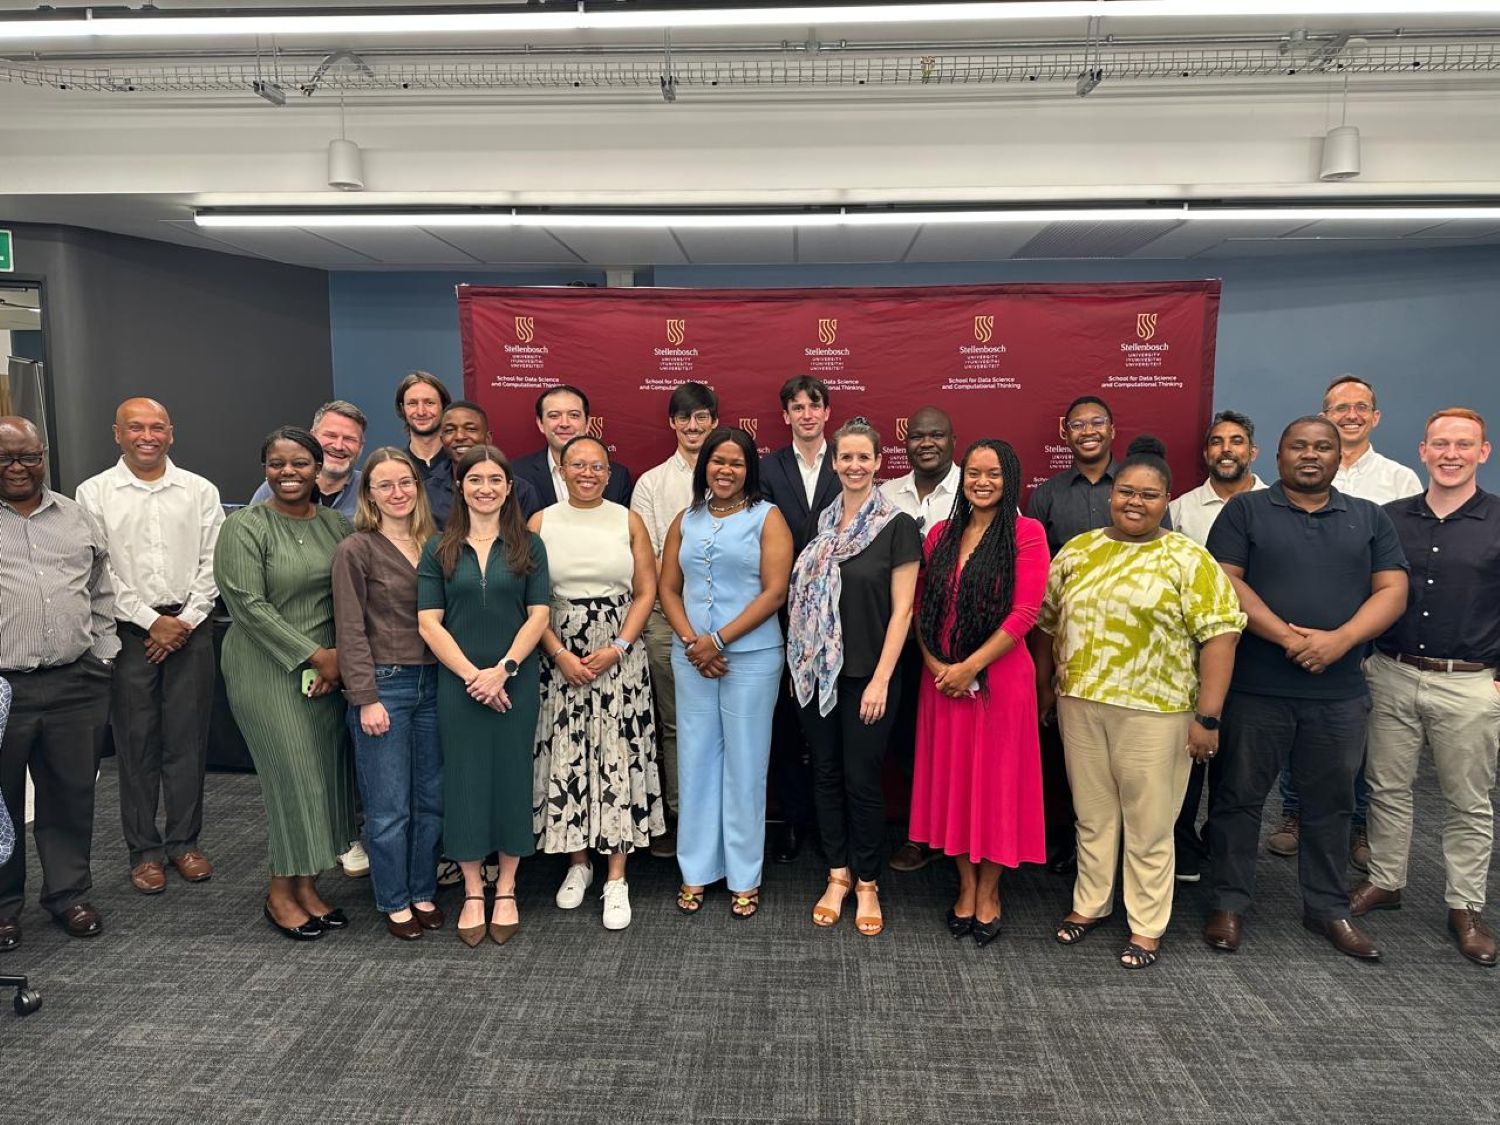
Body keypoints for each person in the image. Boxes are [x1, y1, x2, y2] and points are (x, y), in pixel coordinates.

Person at [1203, 416, 1408, 961]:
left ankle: (1326, 908)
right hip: (1255, 688)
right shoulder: (1244, 510)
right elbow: (1226, 581)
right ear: (1278, 456)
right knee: (1237, 799)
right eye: (1299, 446)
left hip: (1338, 693)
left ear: (1341, 457)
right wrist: (1289, 638)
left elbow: (1392, 589)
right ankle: (1228, 903)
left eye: (1323, 447)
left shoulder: (1368, 518)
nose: (1311, 455)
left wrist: (1340, 640)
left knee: (1332, 804)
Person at [1036, 436, 1245, 969]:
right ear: (1111, 495)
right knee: (1093, 815)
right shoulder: (1078, 551)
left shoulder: (1188, 559)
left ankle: (1147, 925)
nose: (1135, 501)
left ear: (1166, 500)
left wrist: (1208, 716)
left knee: (1151, 823)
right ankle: (1090, 904)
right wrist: (1046, 688)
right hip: (1080, 703)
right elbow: (1048, 626)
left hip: (1158, 712)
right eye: (1126, 491)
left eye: (1149, 495)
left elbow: (1220, 638)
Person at [1352, 408, 1500, 966]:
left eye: (1464, 444)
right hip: (1392, 671)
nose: (1451, 454)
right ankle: (1386, 881)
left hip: (1470, 683)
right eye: (1440, 444)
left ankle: (1464, 905)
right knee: (1387, 789)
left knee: (1468, 802)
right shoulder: (1389, 519)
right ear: (1422, 450)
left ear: (1483, 452)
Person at [1269, 376, 1423, 866]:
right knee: (1299, 720)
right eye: (1340, 407)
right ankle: (1293, 812)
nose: (1350, 414)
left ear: (1375, 417)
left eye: (1361, 407)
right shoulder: (1298, 474)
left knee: (1351, 734)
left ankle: (1357, 824)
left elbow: (1397, 568)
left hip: (1365, 634)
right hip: (1290, 634)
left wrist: (1347, 635)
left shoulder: (1399, 480)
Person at [76, 398, 224, 895]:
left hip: (191, 629)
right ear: (116, 433)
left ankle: (184, 843)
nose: (147, 435)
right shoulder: (93, 493)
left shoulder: (200, 491)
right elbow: (100, 570)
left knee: (188, 741)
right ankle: (144, 852)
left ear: (171, 433)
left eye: (156, 427)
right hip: (128, 635)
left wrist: (182, 621)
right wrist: (149, 621)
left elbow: (214, 561)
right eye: (135, 427)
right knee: (136, 746)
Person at [215, 426, 356, 942]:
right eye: (277, 464)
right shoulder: (245, 528)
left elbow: (349, 596)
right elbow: (247, 606)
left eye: (300, 463)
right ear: (265, 470)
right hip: (266, 670)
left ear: (320, 469)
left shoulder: (337, 527)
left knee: (324, 775)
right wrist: (315, 656)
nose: (289, 472)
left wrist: (336, 659)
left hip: (326, 673)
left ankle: (308, 885)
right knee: (291, 776)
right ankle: (280, 893)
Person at [911, 439, 1048, 948]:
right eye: (973, 473)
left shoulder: (1026, 534)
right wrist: (937, 666)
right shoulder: (942, 534)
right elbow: (921, 608)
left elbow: (1025, 614)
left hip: (999, 684)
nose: (982, 482)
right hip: (941, 683)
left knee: (994, 789)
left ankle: (989, 892)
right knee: (955, 786)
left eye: (993, 473)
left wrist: (970, 666)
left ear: (1009, 478)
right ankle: (964, 887)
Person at [787, 418, 919, 936]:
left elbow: (904, 611)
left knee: (863, 782)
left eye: (864, 457)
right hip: (817, 676)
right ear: (834, 462)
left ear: (879, 462)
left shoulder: (897, 524)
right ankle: (837, 875)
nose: (855, 466)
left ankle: (868, 883)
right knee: (825, 774)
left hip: (869, 676)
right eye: (846, 457)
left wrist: (882, 679)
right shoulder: (822, 525)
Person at [417, 445, 550, 947]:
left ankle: (508, 885)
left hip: (515, 678)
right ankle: (474, 888)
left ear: (508, 487)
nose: (486, 488)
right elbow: (429, 622)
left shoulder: (529, 547)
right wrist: (475, 676)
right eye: (476, 480)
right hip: (459, 682)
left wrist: (504, 670)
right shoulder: (438, 548)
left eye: (496, 479)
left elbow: (538, 614)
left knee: (513, 776)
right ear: (461, 486)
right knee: (466, 781)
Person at [529, 436, 663, 931]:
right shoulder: (541, 522)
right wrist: (558, 652)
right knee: (569, 753)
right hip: (559, 654)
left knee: (615, 755)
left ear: (610, 473)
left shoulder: (626, 519)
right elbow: (530, 598)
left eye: (598, 466)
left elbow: (646, 590)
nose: (587, 472)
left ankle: (616, 877)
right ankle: (577, 865)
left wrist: (620, 647)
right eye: (577, 464)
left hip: (618, 653)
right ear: (561, 470)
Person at [659, 427, 792, 919]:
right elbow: (668, 588)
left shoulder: (767, 517)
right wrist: (696, 641)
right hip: (691, 656)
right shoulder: (685, 519)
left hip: (751, 659)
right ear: (703, 466)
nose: (726, 470)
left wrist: (718, 640)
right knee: (695, 761)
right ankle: (695, 870)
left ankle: (743, 876)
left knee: (744, 766)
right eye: (717, 461)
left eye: (736, 463)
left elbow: (774, 593)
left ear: (748, 469)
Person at [0, 417, 119, 949]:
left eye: (27, 456)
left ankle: (68, 894)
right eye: (5, 459)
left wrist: (103, 655)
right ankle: (3, 906)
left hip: (75, 681)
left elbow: (100, 591)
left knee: (70, 794)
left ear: (43, 455)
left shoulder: (76, 517)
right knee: (0, 805)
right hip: (3, 688)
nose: (18, 468)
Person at [331, 448, 445, 941]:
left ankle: (422, 889)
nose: (398, 493)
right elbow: (349, 629)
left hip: (438, 684)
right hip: (386, 686)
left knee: (431, 799)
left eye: (406, 483)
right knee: (388, 805)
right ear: (369, 494)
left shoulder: (437, 543)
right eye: (385, 485)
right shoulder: (357, 549)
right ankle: (394, 898)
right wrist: (365, 696)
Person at [1165, 410, 1266, 883]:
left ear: (1253, 451)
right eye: (1218, 442)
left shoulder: (1276, 504)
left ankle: (1226, 862)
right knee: (1190, 758)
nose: (1227, 450)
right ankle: (1182, 845)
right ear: (1206, 453)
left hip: (1261, 655)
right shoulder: (1181, 510)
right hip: (1194, 657)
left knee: (1240, 767)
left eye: (1237, 441)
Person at [1026, 396, 1122, 875]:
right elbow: (1034, 576)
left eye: (1096, 422)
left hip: (1127, 645)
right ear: (1065, 433)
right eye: (1077, 424)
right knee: (1063, 748)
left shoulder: (1134, 487)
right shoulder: (1046, 495)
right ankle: (1066, 838)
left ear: (1112, 429)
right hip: (1062, 639)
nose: (1087, 430)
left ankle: (1119, 850)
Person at [629, 381, 719, 858]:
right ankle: (680, 815)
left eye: (701, 416)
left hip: (728, 620)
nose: (693, 425)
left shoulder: (732, 475)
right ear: (672, 424)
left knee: (725, 722)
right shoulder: (651, 483)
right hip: (666, 617)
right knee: (673, 722)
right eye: (684, 418)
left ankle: (720, 814)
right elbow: (645, 556)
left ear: (715, 421)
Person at [758, 375, 838, 863]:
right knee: (785, 721)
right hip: (782, 610)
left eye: (814, 405)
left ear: (827, 412)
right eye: (796, 407)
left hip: (839, 612)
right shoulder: (768, 468)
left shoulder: (848, 459)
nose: (806, 414)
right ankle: (792, 818)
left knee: (831, 717)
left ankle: (834, 821)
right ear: (785, 415)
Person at [880, 405, 960, 874]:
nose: (926, 443)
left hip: (953, 642)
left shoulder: (977, 487)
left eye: (936, 434)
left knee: (949, 742)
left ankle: (954, 833)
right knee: (906, 739)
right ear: (904, 442)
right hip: (894, 636)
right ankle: (918, 832)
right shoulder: (887, 493)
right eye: (916, 435)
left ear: (953, 439)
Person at [512, 384, 633, 509]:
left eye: (574, 415)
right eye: (554, 415)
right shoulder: (517, 473)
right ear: (540, 423)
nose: (564, 423)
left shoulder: (618, 477)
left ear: (587, 423)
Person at [251, 400, 367, 520]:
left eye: (349, 439)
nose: (338, 446)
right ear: (312, 437)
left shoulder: (372, 492)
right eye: (331, 435)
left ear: (361, 447)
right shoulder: (274, 489)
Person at [430, 401, 541, 526]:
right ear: (442, 440)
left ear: (488, 438)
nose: (460, 436)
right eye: (450, 430)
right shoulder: (427, 491)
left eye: (471, 429)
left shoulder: (521, 491)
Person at [395, 370, 454, 503]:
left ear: (443, 406)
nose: (421, 412)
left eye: (429, 403)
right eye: (412, 403)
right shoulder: (395, 465)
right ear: (402, 408)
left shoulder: (460, 464)